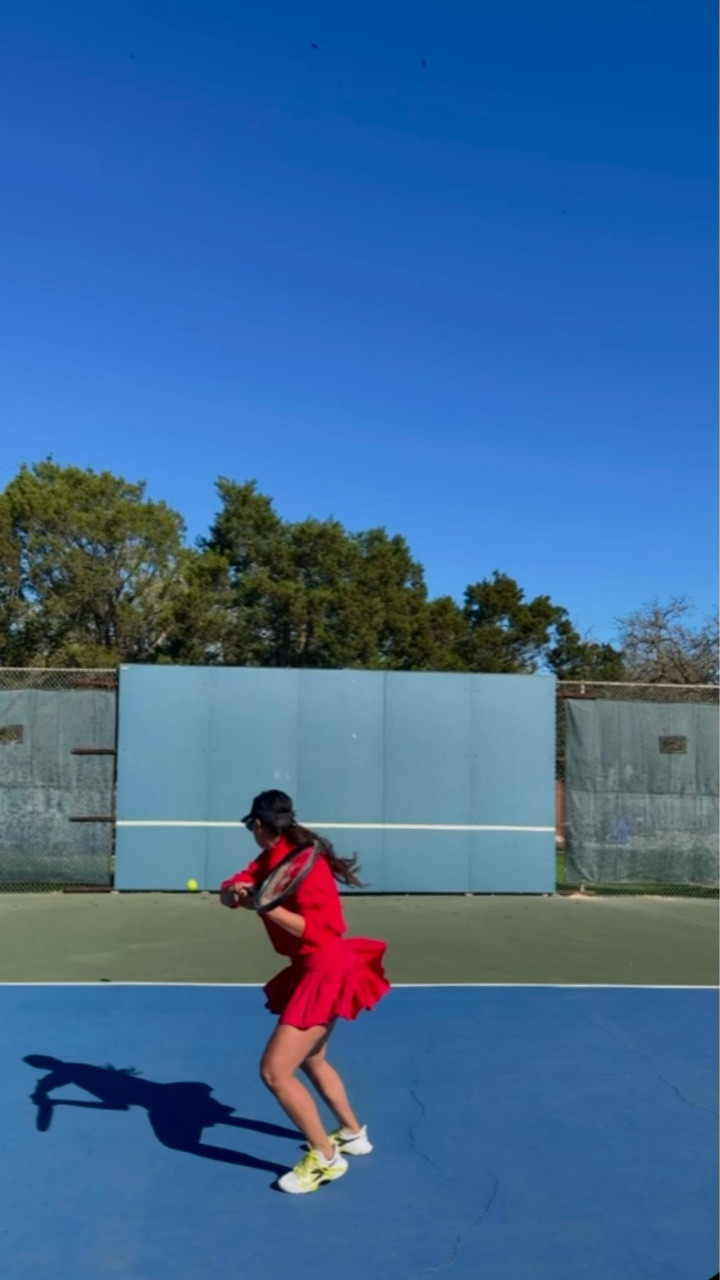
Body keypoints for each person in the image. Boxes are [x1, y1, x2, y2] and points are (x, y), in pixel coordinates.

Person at [220, 789, 390, 1194]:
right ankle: (352, 1134)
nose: (251, 833)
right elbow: (236, 885)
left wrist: (266, 906)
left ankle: (326, 1157)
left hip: (326, 969)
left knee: (276, 1072)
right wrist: (234, 892)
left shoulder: (304, 864)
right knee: (313, 1057)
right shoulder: (275, 855)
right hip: (312, 968)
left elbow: (322, 931)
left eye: (250, 827)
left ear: (259, 825)